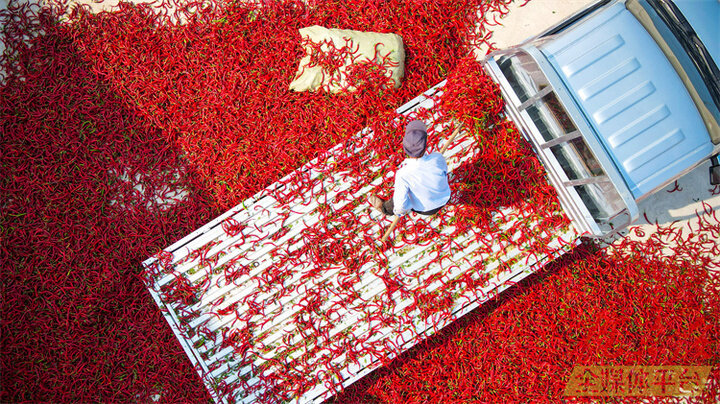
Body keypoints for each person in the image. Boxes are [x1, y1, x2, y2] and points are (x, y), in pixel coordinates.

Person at [369, 119, 451, 217]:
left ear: (404, 148)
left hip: (424, 210)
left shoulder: (403, 174)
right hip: (445, 198)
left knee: (400, 196)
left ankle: (384, 209)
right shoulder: (437, 157)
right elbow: (444, 173)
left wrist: (400, 212)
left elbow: (400, 207)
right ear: (425, 145)